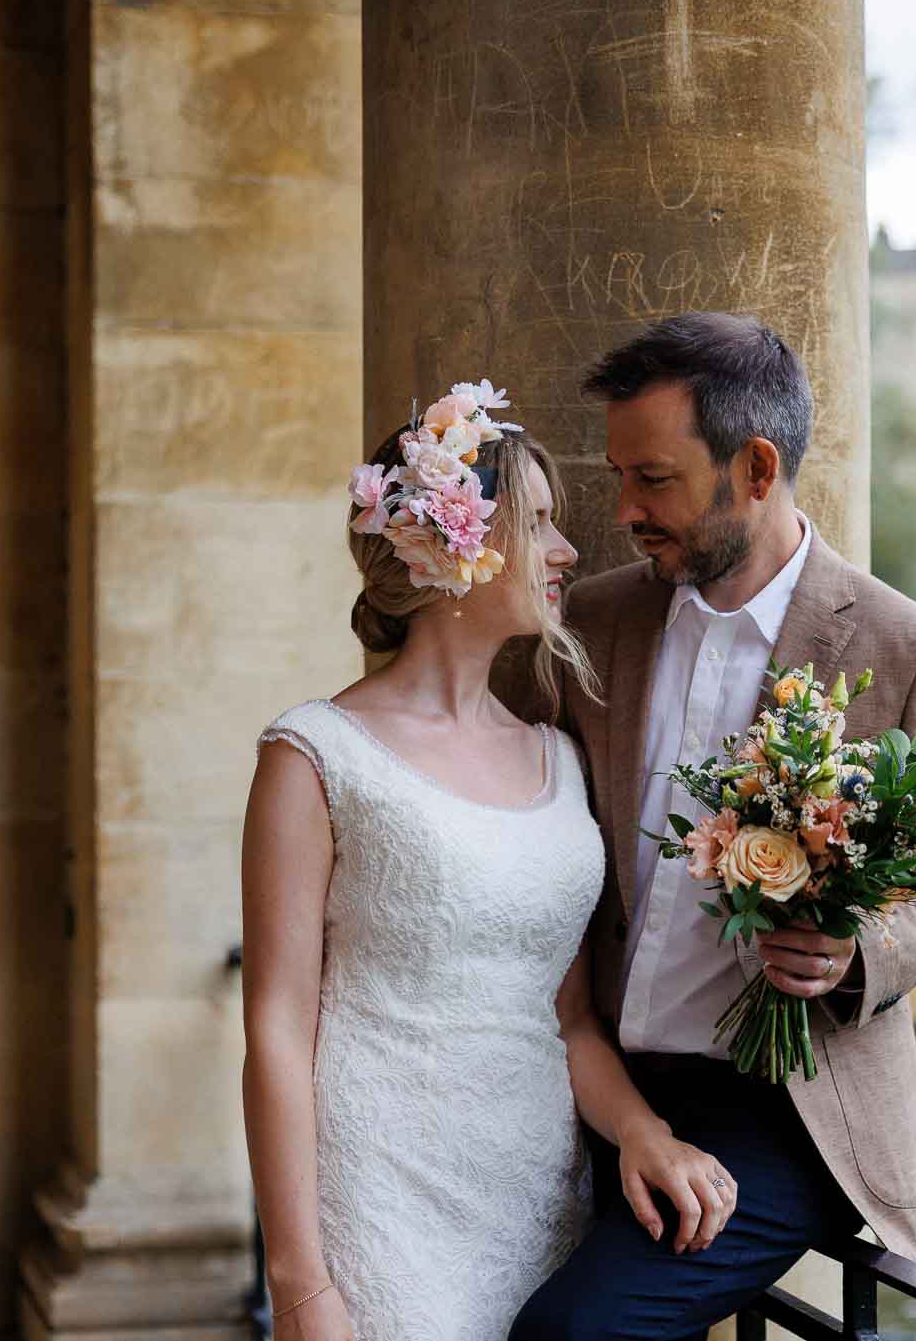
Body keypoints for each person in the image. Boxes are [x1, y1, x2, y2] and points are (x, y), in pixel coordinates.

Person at [508, 312, 916, 1340]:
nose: (625, 509)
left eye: (654, 479)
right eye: (619, 477)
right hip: (585, 1074)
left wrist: (852, 948)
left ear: (756, 465)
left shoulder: (914, 650)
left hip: (782, 1109)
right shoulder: (587, 624)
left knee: (568, 1333)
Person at [242, 381, 740, 1341]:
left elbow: (569, 1022)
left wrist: (642, 1132)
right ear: (457, 545)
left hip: (541, 1201)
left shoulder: (557, 753)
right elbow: (274, 1027)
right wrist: (300, 1281)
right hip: (382, 1198)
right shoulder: (313, 756)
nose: (568, 549)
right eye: (541, 524)